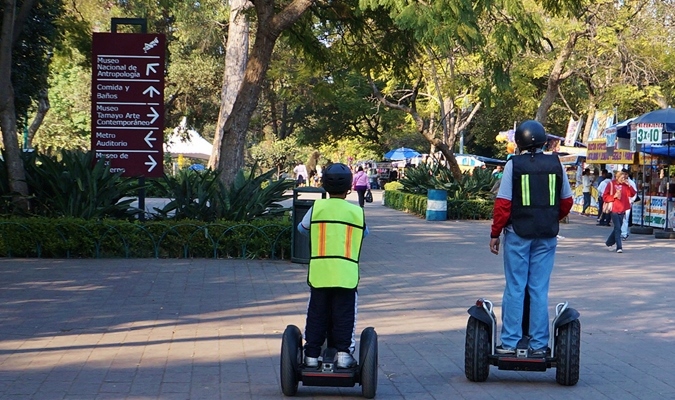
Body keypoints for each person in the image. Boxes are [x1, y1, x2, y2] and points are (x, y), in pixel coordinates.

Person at [489, 120, 573, 356]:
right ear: (544, 140)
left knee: (515, 287)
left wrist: (495, 233)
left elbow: (503, 204)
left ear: (520, 142)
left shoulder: (513, 165)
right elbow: (566, 201)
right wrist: (550, 218)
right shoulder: (556, 164)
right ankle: (538, 345)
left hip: (518, 235)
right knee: (538, 289)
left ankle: (510, 342)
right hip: (546, 236)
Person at [297, 163, 369, 369]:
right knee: (344, 314)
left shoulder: (317, 208)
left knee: (317, 312)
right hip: (347, 274)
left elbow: (302, 229)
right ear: (349, 187)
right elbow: (364, 234)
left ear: (324, 185)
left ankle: (311, 355)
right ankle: (344, 354)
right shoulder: (356, 212)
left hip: (320, 272)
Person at [603, 170, 636, 253]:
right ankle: (619, 247)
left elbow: (632, 194)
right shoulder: (611, 184)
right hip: (614, 208)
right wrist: (614, 196)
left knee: (617, 228)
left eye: (624, 178)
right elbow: (605, 196)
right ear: (617, 177)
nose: (623, 179)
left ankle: (609, 242)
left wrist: (629, 186)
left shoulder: (625, 185)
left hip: (622, 209)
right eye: (621, 178)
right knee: (618, 228)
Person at [621, 170, 637, 240]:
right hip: (619, 203)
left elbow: (635, 193)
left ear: (627, 175)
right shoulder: (619, 182)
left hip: (627, 202)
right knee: (620, 219)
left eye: (623, 174)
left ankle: (624, 234)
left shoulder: (631, 183)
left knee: (625, 219)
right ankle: (622, 232)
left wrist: (631, 201)